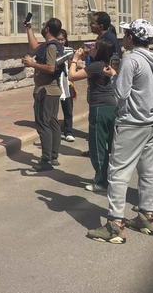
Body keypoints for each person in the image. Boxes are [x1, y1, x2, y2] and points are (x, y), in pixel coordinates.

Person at [87, 19, 153, 244]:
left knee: (118, 173)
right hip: (152, 120)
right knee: (147, 171)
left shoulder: (131, 60)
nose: (123, 37)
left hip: (132, 122)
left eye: (126, 33)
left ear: (132, 37)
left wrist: (114, 75)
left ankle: (115, 225)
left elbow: (121, 93)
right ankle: (146, 217)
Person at [69, 39, 117, 192]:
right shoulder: (106, 64)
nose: (91, 49)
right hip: (111, 106)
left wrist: (75, 59)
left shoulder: (96, 66)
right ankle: (111, 177)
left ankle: (101, 181)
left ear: (100, 51)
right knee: (111, 144)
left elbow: (72, 76)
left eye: (94, 47)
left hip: (99, 108)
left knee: (97, 145)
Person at [22, 17, 64, 171]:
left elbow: (51, 68)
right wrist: (29, 28)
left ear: (47, 29)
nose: (42, 26)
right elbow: (35, 46)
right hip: (51, 91)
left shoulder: (51, 47)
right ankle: (53, 157)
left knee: (44, 124)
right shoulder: (51, 45)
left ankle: (46, 160)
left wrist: (32, 64)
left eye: (44, 24)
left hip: (46, 91)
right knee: (52, 123)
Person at [57, 29, 75, 143]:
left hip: (67, 83)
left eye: (62, 39)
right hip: (55, 83)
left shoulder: (69, 50)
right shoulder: (52, 49)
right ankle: (54, 131)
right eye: (58, 39)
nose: (60, 42)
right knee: (53, 110)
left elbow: (73, 65)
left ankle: (68, 132)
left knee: (68, 109)